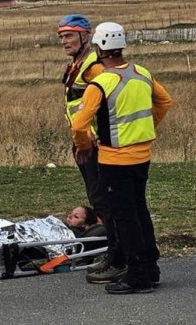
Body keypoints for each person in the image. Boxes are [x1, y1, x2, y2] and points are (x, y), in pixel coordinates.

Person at [71, 22, 173, 294]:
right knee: (140, 211)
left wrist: (84, 146)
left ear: (99, 49)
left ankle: (137, 275)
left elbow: (79, 124)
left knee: (125, 218)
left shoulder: (101, 83)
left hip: (114, 160)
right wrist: (146, 127)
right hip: (142, 156)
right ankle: (150, 269)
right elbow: (164, 101)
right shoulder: (141, 73)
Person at [57, 14, 126, 284]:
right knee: (99, 200)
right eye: (62, 36)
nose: (64, 41)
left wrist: (94, 139)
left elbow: (109, 98)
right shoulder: (77, 64)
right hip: (84, 142)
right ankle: (114, 253)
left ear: (85, 36)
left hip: (94, 145)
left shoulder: (93, 67)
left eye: (69, 36)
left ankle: (117, 256)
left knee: (104, 202)